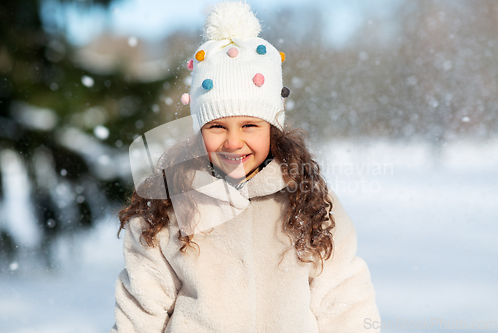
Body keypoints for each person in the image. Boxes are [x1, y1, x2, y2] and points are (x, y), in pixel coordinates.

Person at [110, 1, 381, 332]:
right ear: (198, 131)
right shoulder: (169, 205)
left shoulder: (308, 204)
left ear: (272, 128)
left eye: (250, 125)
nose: (233, 142)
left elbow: (343, 301)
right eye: (217, 127)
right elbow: (142, 309)